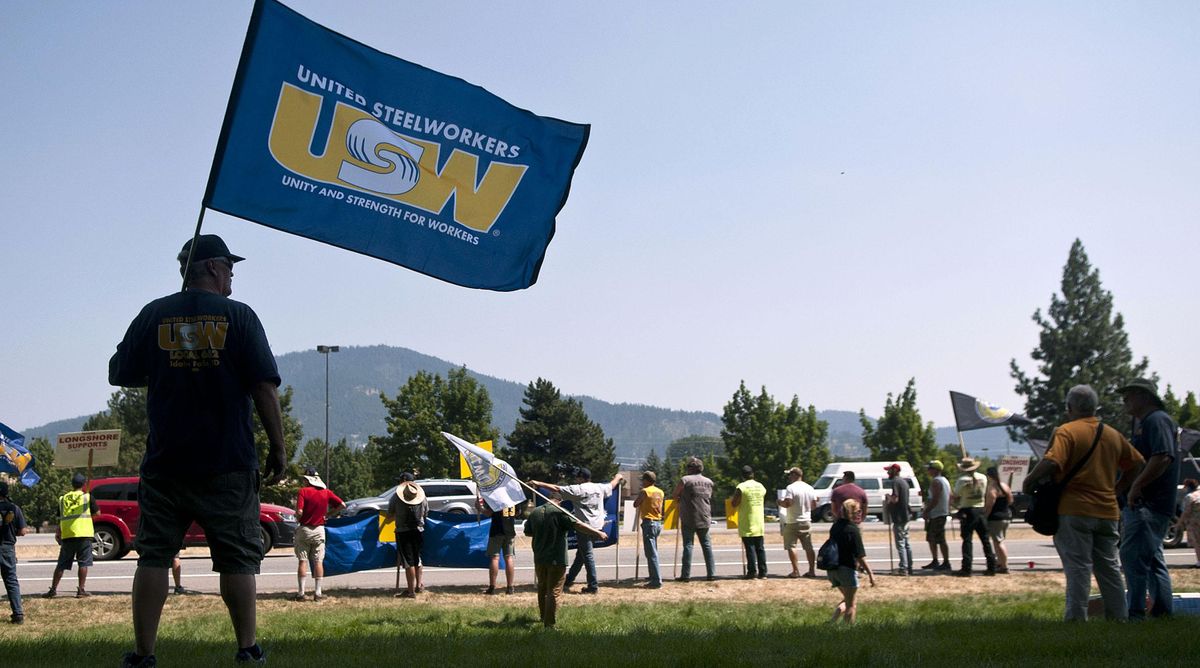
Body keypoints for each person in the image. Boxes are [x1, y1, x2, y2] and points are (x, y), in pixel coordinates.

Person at [109, 234, 287, 667]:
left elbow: (120, 372)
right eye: (229, 268)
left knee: (154, 555)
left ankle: (143, 655)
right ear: (211, 267)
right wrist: (278, 449)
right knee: (237, 559)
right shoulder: (240, 317)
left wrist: (170, 358)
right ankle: (247, 649)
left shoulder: (154, 314)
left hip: (166, 462)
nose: (231, 277)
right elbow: (263, 386)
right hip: (228, 461)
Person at [1023, 384, 1143, 621]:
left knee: (1078, 568)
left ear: (1070, 408)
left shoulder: (1066, 432)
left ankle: (1076, 620)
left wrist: (1030, 480)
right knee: (1109, 568)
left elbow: (1052, 462)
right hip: (1108, 511)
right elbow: (1137, 464)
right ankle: (1119, 618)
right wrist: (1117, 489)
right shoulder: (1112, 434)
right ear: (1095, 407)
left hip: (1074, 509)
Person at [1118, 378, 1181, 619]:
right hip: (1151, 505)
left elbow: (1163, 457)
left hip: (1148, 505)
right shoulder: (1147, 423)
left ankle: (1135, 615)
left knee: (1133, 558)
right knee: (1152, 560)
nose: (1125, 400)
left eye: (1130, 394)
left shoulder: (1157, 420)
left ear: (1145, 397)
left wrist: (1136, 487)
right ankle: (1162, 614)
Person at [530, 468, 623, 594]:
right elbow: (612, 485)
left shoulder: (578, 489)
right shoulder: (600, 488)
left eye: (577, 478)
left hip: (584, 527)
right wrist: (618, 477)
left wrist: (540, 484)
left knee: (587, 556)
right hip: (598, 527)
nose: (576, 480)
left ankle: (593, 586)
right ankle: (569, 579)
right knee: (582, 555)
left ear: (581, 478)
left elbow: (557, 489)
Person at [523, 490, 607, 629]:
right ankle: (549, 624)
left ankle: (543, 616)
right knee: (554, 591)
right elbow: (578, 525)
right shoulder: (560, 512)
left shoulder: (535, 512)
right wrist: (597, 532)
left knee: (542, 588)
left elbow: (528, 532)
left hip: (539, 557)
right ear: (559, 501)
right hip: (557, 557)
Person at [293, 467, 344, 601]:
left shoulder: (303, 492)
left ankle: (301, 593)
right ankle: (318, 592)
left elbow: (299, 511)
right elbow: (342, 505)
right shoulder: (326, 492)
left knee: (302, 560)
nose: (303, 481)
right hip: (319, 529)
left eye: (304, 479)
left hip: (304, 529)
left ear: (308, 480)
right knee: (318, 561)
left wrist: (298, 520)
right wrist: (328, 514)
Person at [46, 472, 98, 599]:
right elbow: (97, 513)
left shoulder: (63, 499)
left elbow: (60, 518)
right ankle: (81, 590)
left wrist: (58, 532)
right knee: (83, 563)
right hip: (84, 534)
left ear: (72, 484)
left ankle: (53, 589)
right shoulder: (87, 497)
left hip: (68, 534)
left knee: (61, 564)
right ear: (84, 484)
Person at [827, 499, 875, 624]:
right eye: (858, 510)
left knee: (849, 599)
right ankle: (847, 633)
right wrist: (871, 574)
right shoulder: (852, 530)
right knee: (851, 605)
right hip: (846, 570)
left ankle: (833, 620)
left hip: (833, 570)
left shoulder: (835, 526)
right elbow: (860, 555)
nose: (860, 513)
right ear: (852, 512)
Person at [672, 457, 716, 582]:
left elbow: (675, 494)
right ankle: (711, 573)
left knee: (688, 545)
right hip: (705, 516)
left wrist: (680, 498)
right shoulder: (709, 482)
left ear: (691, 468)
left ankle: (686, 575)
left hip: (689, 517)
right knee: (707, 546)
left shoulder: (685, 480)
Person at [951, 457, 996, 577]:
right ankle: (991, 567)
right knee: (985, 540)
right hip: (980, 510)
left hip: (967, 510)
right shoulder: (983, 478)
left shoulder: (962, 480)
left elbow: (956, 495)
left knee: (967, 540)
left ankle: (966, 568)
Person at [386, 474, 428, 598]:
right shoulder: (422, 496)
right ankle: (418, 585)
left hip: (403, 531)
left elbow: (389, 515)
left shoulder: (396, 497)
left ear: (403, 481)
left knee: (408, 562)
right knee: (417, 558)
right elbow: (426, 513)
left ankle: (410, 592)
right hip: (418, 530)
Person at [779, 466, 817, 578]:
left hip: (793, 521)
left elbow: (788, 503)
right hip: (806, 520)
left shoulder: (790, 488)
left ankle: (795, 571)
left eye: (790, 475)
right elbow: (814, 505)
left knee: (791, 546)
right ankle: (811, 570)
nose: (789, 477)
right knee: (808, 547)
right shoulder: (810, 488)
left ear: (795, 475)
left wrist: (780, 502)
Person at [731, 466, 767, 578]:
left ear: (742, 476)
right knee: (760, 548)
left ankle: (752, 572)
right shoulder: (760, 486)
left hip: (747, 521)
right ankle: (763, 572)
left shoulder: (741, 487)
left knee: (750, 548)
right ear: (753, 474)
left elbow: (734, 503)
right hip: (759, 521)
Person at [0, 480, 28, 624]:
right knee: (11, 581)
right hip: (7, 548)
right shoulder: (14, 508)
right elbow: (23, 531)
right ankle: (18, 614)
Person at [632, 470, 664, 588]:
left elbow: (636, 504)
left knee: (651, 553)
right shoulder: (660, 492)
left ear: (646, 480)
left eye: (643, 480)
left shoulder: (645, 491)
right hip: (658, 522)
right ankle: (652, 575)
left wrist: (640, 499)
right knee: (653, 550)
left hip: (648, 522)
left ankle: (656, 580)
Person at [479, 499, 518, 595]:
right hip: (510, 530)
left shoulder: (496, 498)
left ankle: (492, 587)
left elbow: (489, 513)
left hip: (497, 530)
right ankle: (510, 587)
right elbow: (518, 512)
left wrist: (480, 508)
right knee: (509, 558)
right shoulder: (513, 498)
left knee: (495, 558)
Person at [920, 460, 952, 571]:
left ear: (935, 470)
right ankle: (935, 560)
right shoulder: (945, 480)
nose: (928, 471)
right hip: (940, 512)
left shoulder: (936, 482)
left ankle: (946, 562)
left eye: (930, 468)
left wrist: (926, 511)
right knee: (931, 538)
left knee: (940, 538)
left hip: (937, 514)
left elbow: (935, 499)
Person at [983, 466, 1014, 574]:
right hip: (1005, 516)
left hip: (995, 518)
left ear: (989, 476)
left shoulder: (992, 487)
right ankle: (1000, 563)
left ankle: (1004, 566)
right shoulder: (1005, 486)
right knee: (999, 541)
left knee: (998, 542)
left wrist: (985, 516)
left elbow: (989, 505)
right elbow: (1010, 501)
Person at [884, 463, 913, 576]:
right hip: (906, 516)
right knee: (906, 543)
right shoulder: (904, 482)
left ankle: (903, 568)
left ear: (895, 471)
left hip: (899, 517)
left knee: (900, 543)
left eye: (889, 471)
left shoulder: (896, 482)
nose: (887, 473)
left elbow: (895, 499)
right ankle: (909, 566)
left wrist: (888, 497)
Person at [1173, 479, 1200, 568]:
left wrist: (1179, 523)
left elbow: (1186, 511)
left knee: (1197, 542)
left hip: (1194, 523)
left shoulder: (1189, 497)